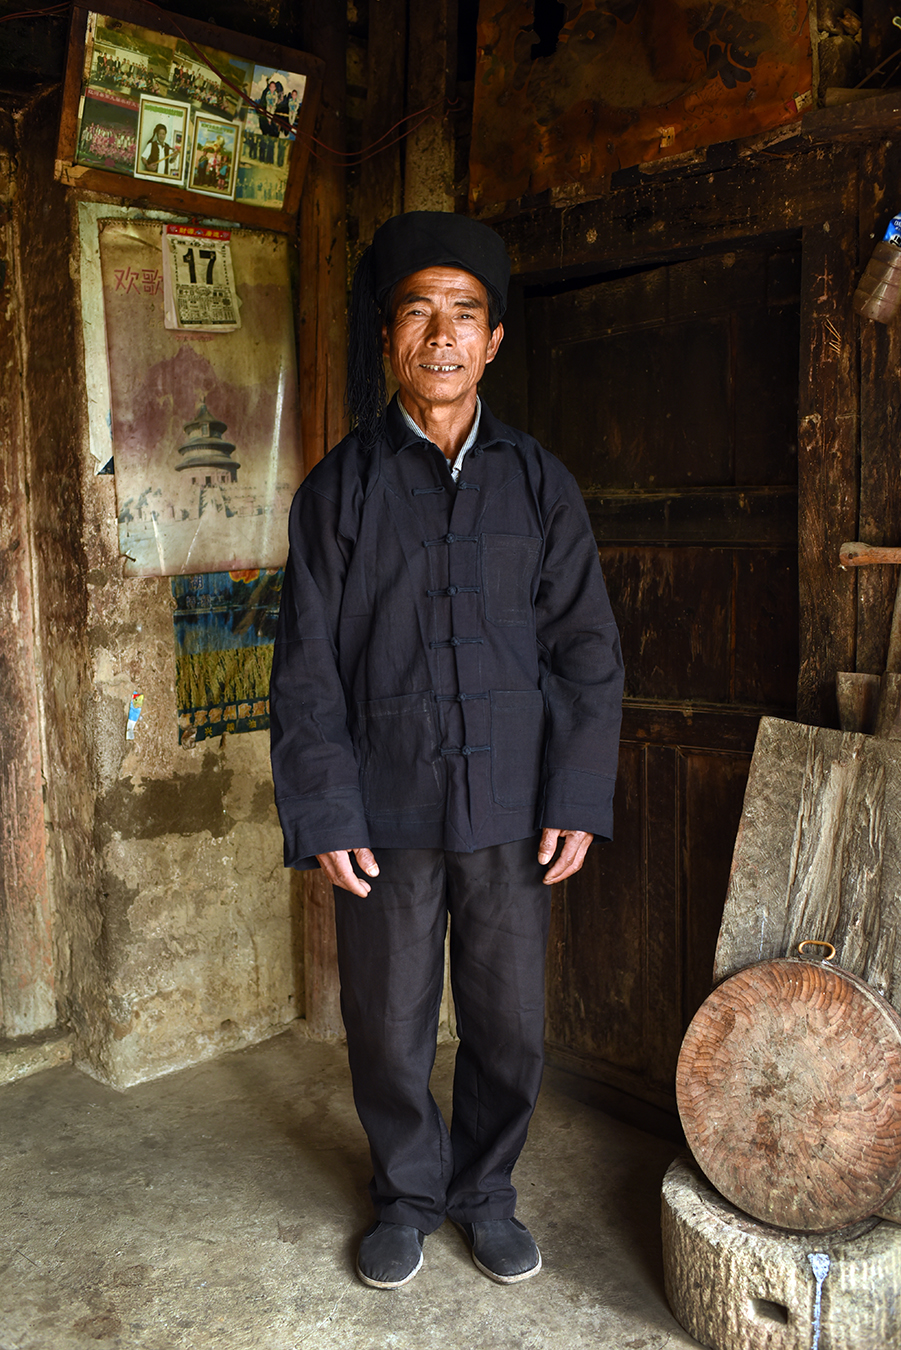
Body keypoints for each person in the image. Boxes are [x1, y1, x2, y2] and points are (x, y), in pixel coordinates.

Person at [270, 211, 624, 1291]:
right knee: (384, 1024)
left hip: (515, 806)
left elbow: (583, 650)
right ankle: (408, 1195)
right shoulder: (339, 491)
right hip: (386, 811)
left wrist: (574, 792)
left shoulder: (537, 484)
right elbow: (306, 671)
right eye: (418, 310)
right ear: (389, 337)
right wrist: (325, 813)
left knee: (510, 1025)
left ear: (494, 339)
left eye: (463, 313)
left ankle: (484, 1193)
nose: (441, 334)